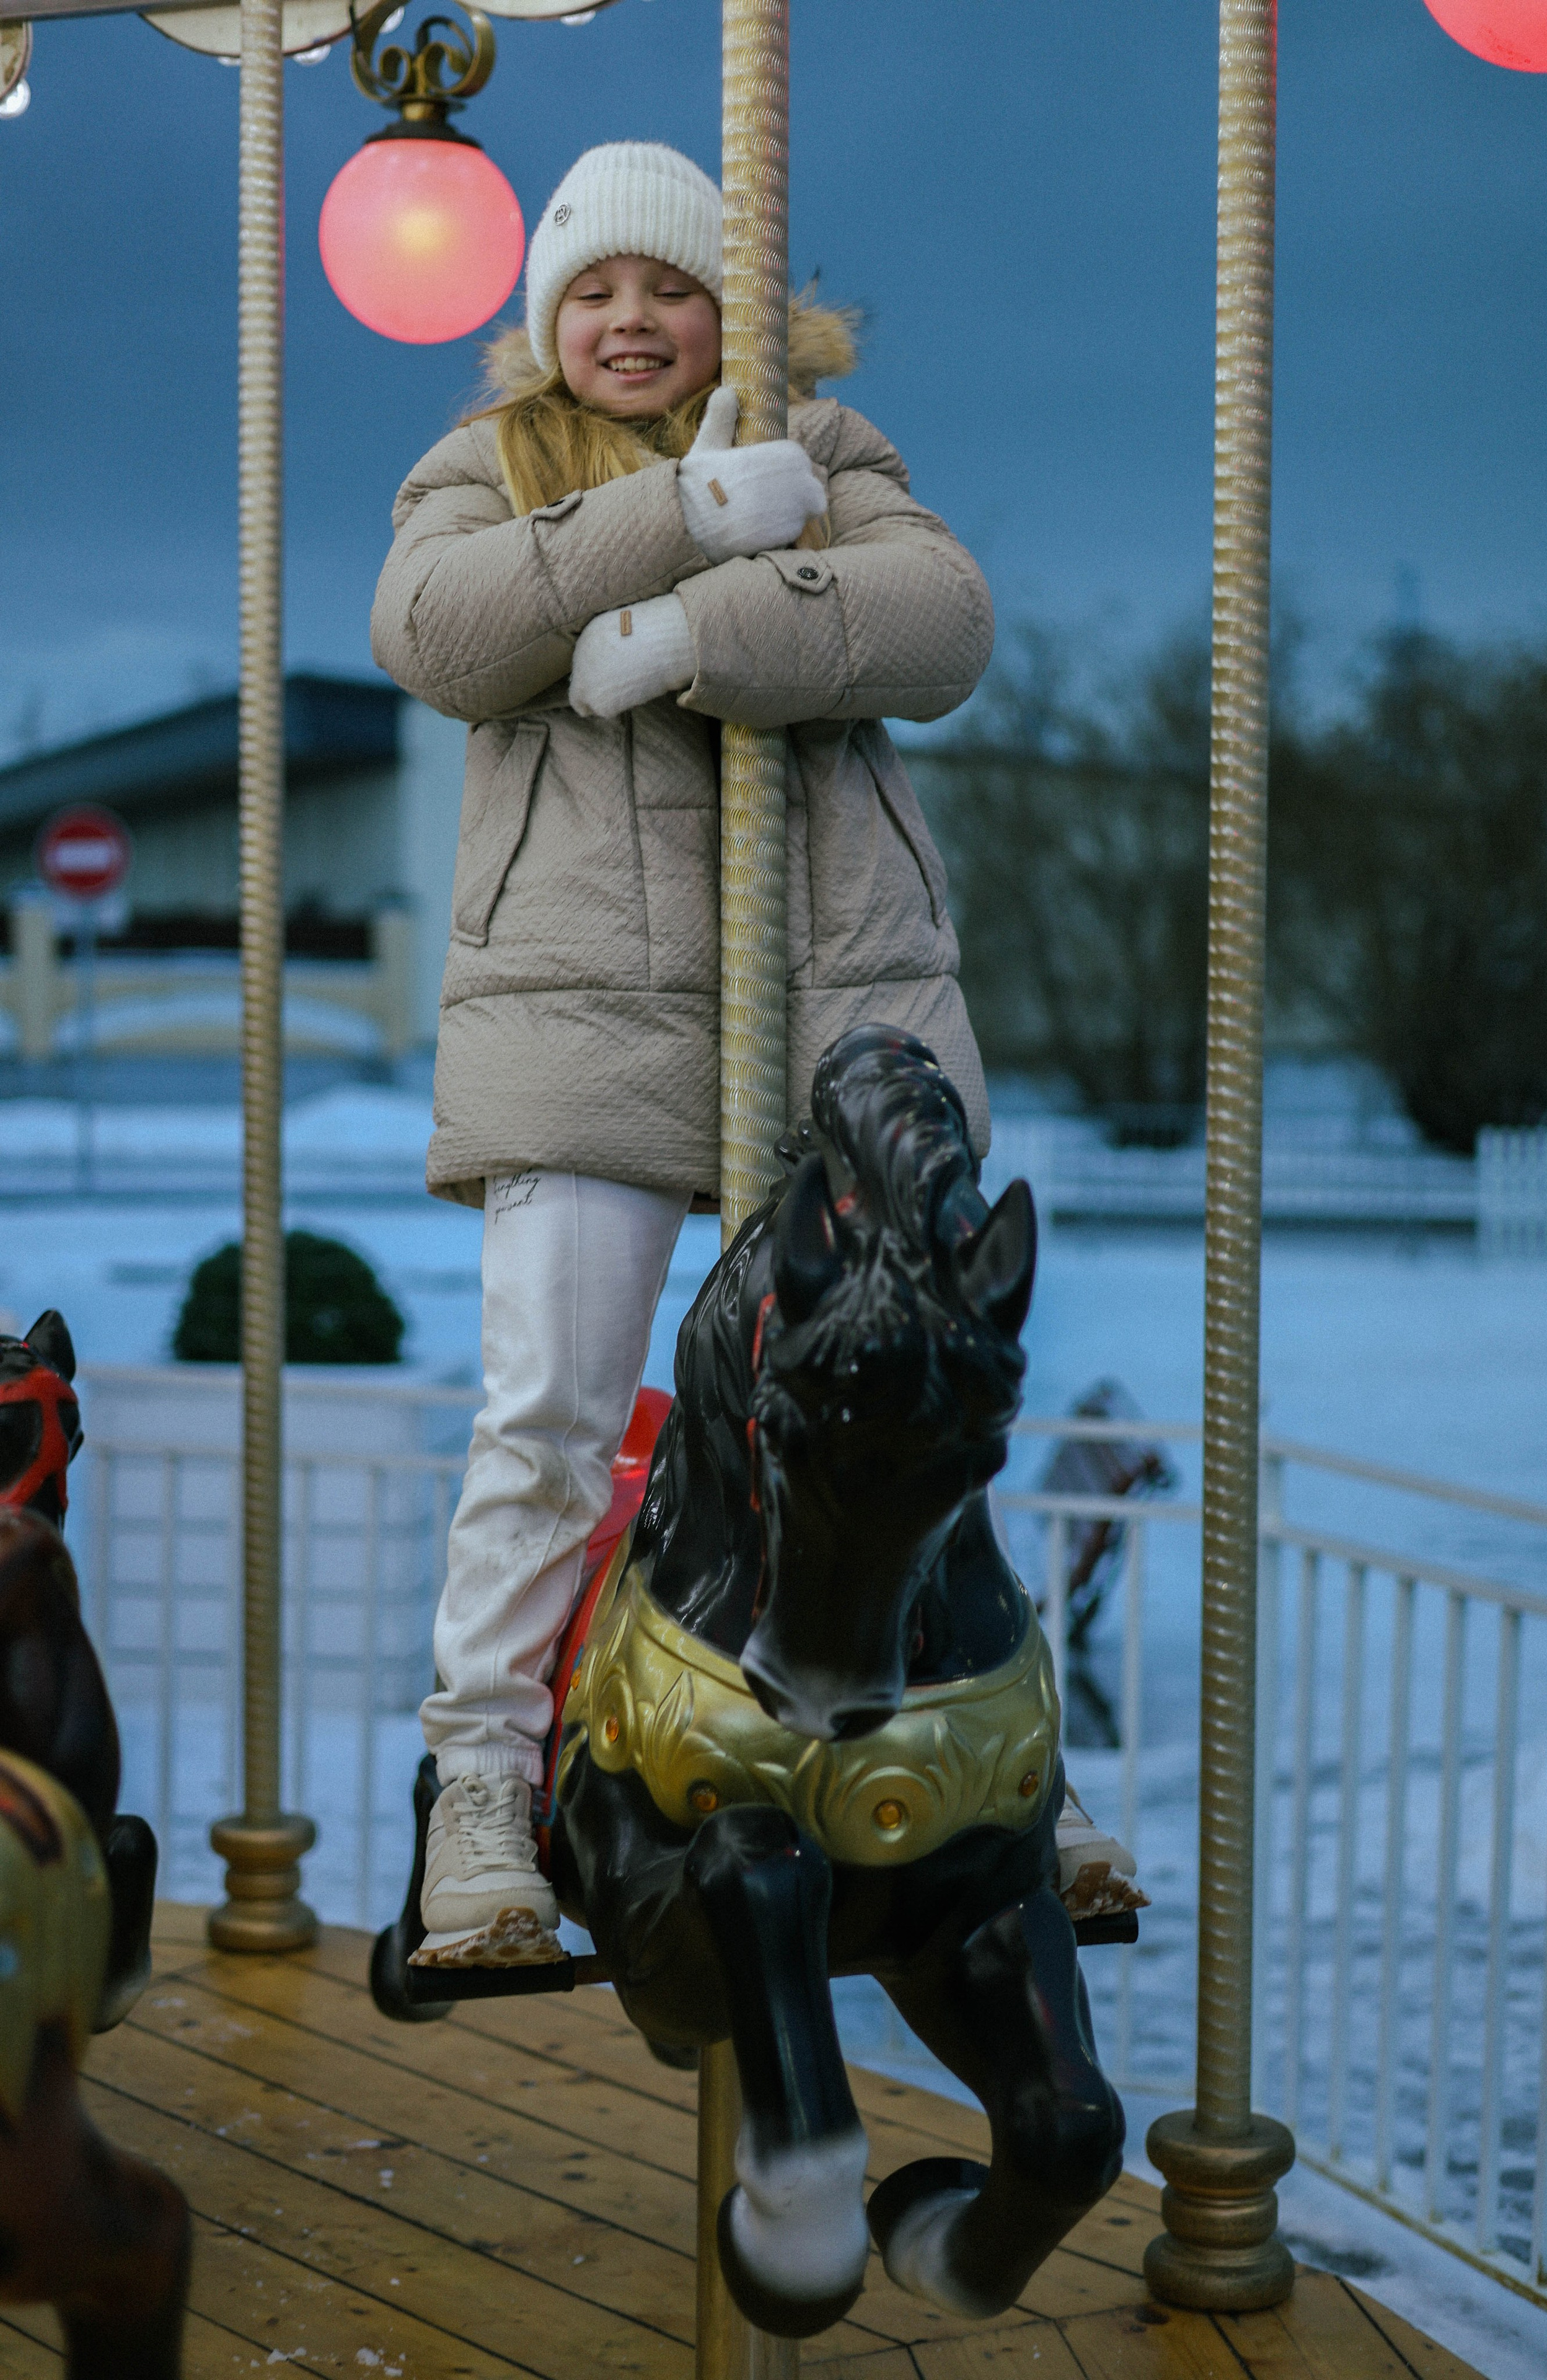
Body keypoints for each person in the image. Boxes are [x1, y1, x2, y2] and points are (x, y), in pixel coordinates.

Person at [372, 141, 995, 1965]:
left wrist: (693, 633)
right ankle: (483, 1785)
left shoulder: (835, 451)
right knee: (551, 1417)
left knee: (908, 1406)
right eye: (594, 291)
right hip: (581, 1008)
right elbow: (439, 630)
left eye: (671, 286)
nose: (631, 320)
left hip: (828, 985)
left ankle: (985, 1756)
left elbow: (941, 623)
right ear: (545, 323)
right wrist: (681, 521)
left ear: (737, 307)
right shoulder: (484, 465)